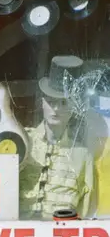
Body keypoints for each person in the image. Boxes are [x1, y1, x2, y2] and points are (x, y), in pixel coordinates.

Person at [19, 55, 95, 220]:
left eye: (63, 103)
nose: (55, 109)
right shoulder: (24, 141)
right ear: (42, 102)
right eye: (51, 101)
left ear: (74, 106)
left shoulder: (81, 154)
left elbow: (86, 207)